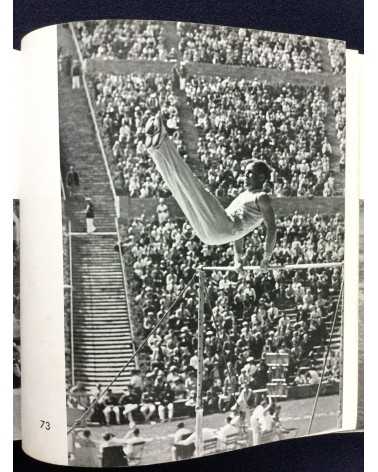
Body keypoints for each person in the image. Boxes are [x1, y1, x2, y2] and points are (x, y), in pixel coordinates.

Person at [145, 113, 276, 270]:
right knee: (182, 193)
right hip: (211, 234)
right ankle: (157, 151)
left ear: (261, 177)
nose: (244, 177)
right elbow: (240, 234)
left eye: (249, 173)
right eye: (245, 173)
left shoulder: (262, 197)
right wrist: (237, 259)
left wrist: (266, 258)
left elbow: (272, 228)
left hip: (222, 228)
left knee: (194, 187)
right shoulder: (244, 195)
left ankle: (163, 142)